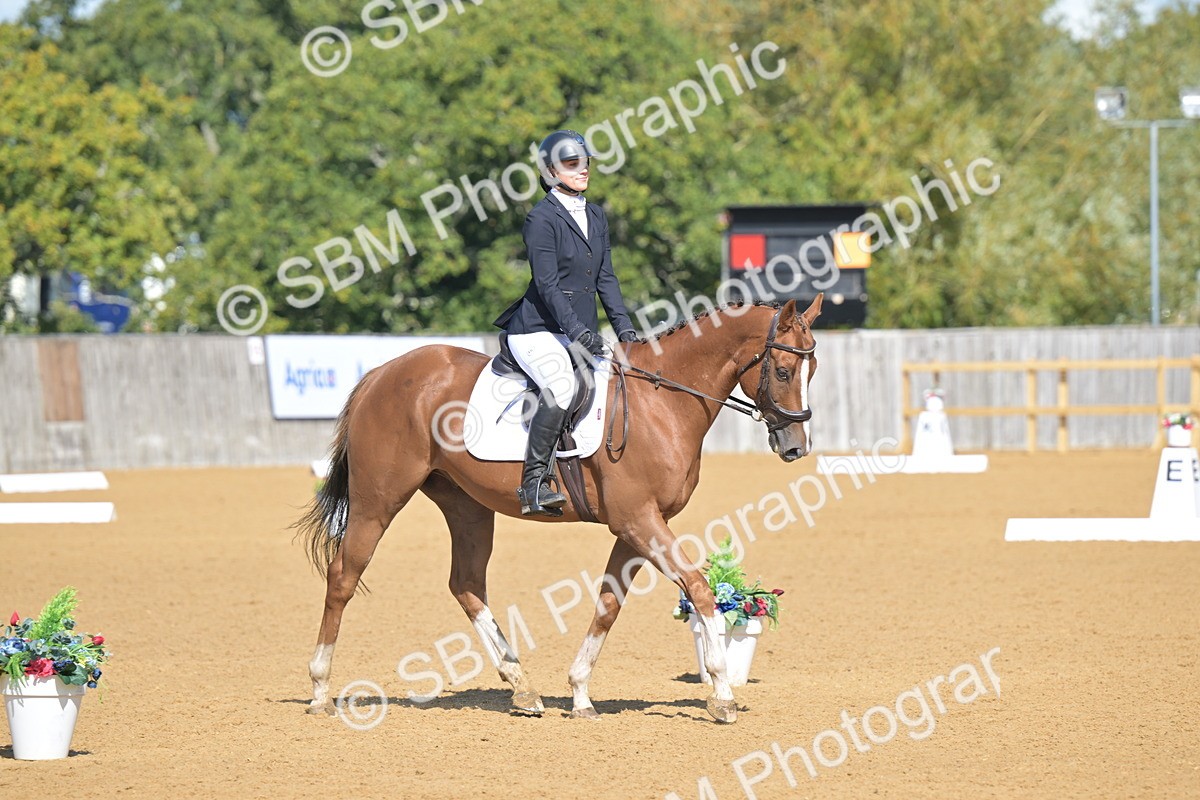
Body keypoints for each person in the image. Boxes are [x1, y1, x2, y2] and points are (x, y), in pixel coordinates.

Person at [493, 129, 640, 516]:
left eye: (585, 161)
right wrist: (576, 331)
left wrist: (624, 327)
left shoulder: (595, 214)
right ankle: (534, 484)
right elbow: (547, 283)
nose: (583, 169)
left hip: (579, 330)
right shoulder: (541, 218)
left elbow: (605, 277)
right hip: (538, 329)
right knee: (560, 386)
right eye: (573, 163)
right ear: (551, 171)